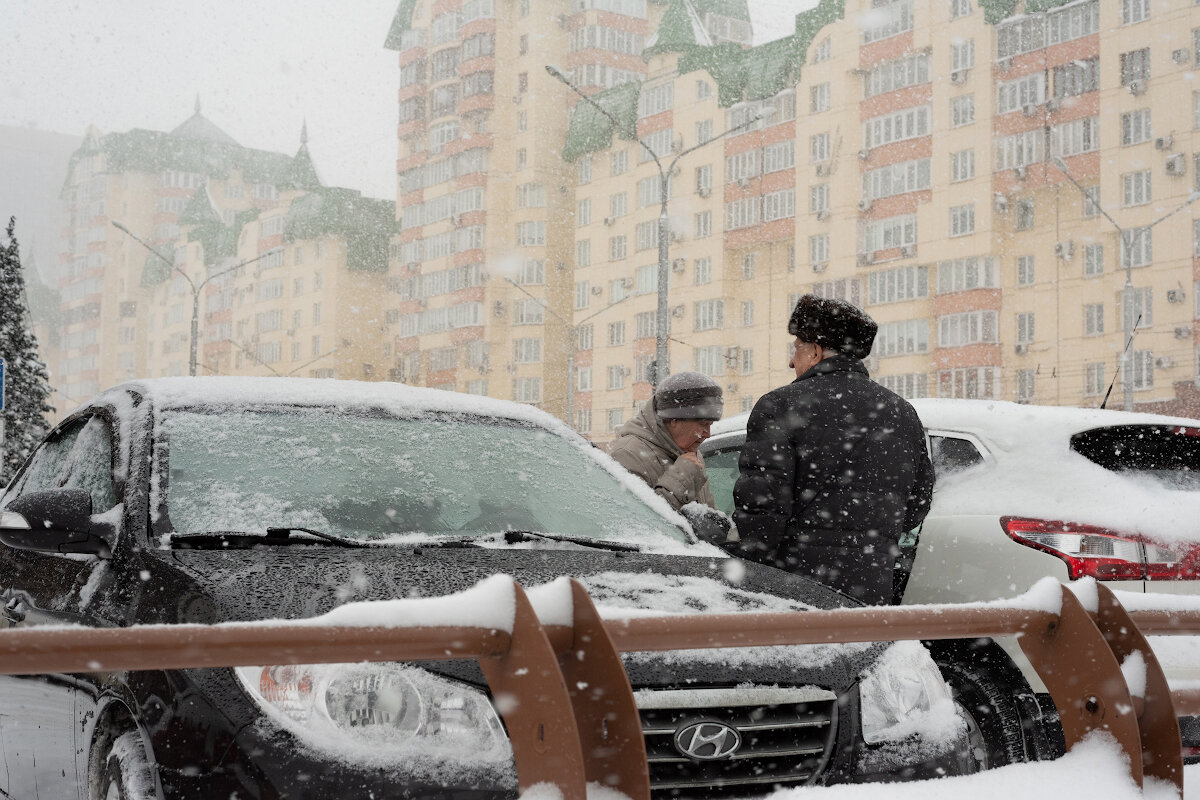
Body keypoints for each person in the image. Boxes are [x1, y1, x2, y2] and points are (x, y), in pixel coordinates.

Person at [730, 294, 934, 605]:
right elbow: (919, 500)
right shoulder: (901, 412)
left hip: (794, 589)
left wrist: (749, 570)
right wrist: (869, 539)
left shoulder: (780, 405)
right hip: (870, 587)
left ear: (815, 351)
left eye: (796, 347)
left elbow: (762, 509)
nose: (790, 360)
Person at [608, 371, 723, 512]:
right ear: (674, 420)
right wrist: (682, 476)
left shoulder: (691, 454)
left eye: (710, 425)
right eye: (703, 424)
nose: (708, 434)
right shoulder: (628, 455)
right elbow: (638, 522)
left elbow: (709, 515)